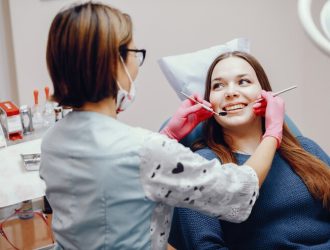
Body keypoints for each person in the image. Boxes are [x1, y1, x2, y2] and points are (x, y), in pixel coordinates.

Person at [39, 3, 285, 250]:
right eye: (135, 53)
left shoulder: (53, 139)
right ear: (114, 63)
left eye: (243, 81)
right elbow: (237, 192)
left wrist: (167, 136)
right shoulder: (145, 149)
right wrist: (273, 133)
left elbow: (118, 179)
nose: (231, 93)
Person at [169, 51, 330, 250]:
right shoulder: (201, 167)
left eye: (243, 81)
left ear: (265, 94)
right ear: (209, 101)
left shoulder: (306, 149)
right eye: (218, 85)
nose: (230, 92)